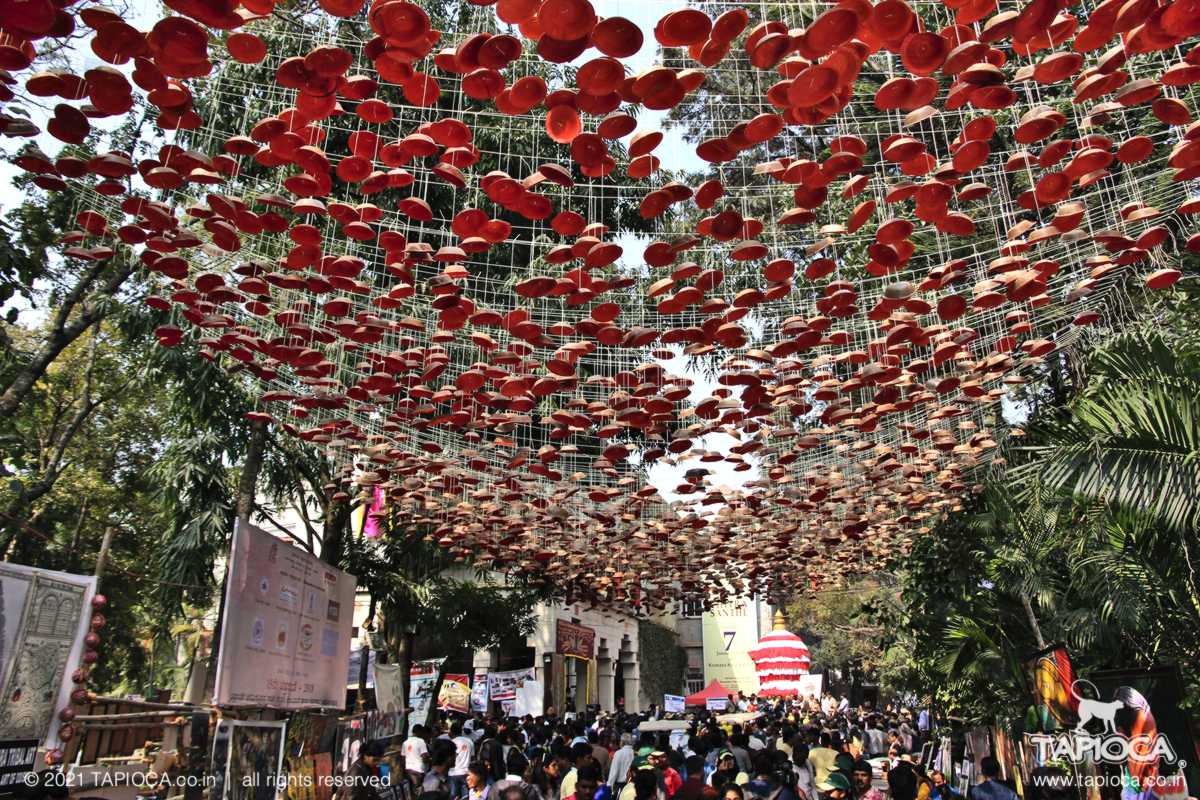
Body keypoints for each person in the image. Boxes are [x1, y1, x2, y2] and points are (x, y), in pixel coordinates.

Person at [451, 723, 475, 800]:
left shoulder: (451, 742)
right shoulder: (469, 741)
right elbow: (473, 758)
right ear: (461, 731)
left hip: (453, 773)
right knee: (466, 796)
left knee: (454, 796)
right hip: (466, 772)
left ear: (451, 732)